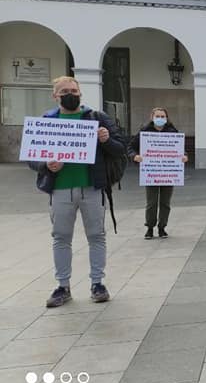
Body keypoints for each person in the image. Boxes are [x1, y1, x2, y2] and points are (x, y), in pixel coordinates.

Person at [28, 76, 126, 307]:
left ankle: (97, 283)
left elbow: (120, 148)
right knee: (61, 238)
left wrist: (106, 139)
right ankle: (63, 286)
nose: (70, 94)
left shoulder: (96, 117)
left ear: (80, 93)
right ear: (55, 96)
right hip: (60, 190)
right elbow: (32, 158)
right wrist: (46, 164)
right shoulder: (47, 120)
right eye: (64, 91)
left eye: (74, 90)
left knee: (96, 236)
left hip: (91, 188)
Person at [128, 107, 189, 239]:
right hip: (151, 172)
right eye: (158, 116)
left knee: (165, 202)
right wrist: (135, 156)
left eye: (163, 116)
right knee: (152, 202)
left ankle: (162, 227)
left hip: (168, 172)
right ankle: (150, 227)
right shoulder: (144, 132)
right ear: (152, 117)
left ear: (166, 118)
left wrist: (184, 156)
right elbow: (131, 147)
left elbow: (180, 149)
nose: (160, 119)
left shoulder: (172, 132)